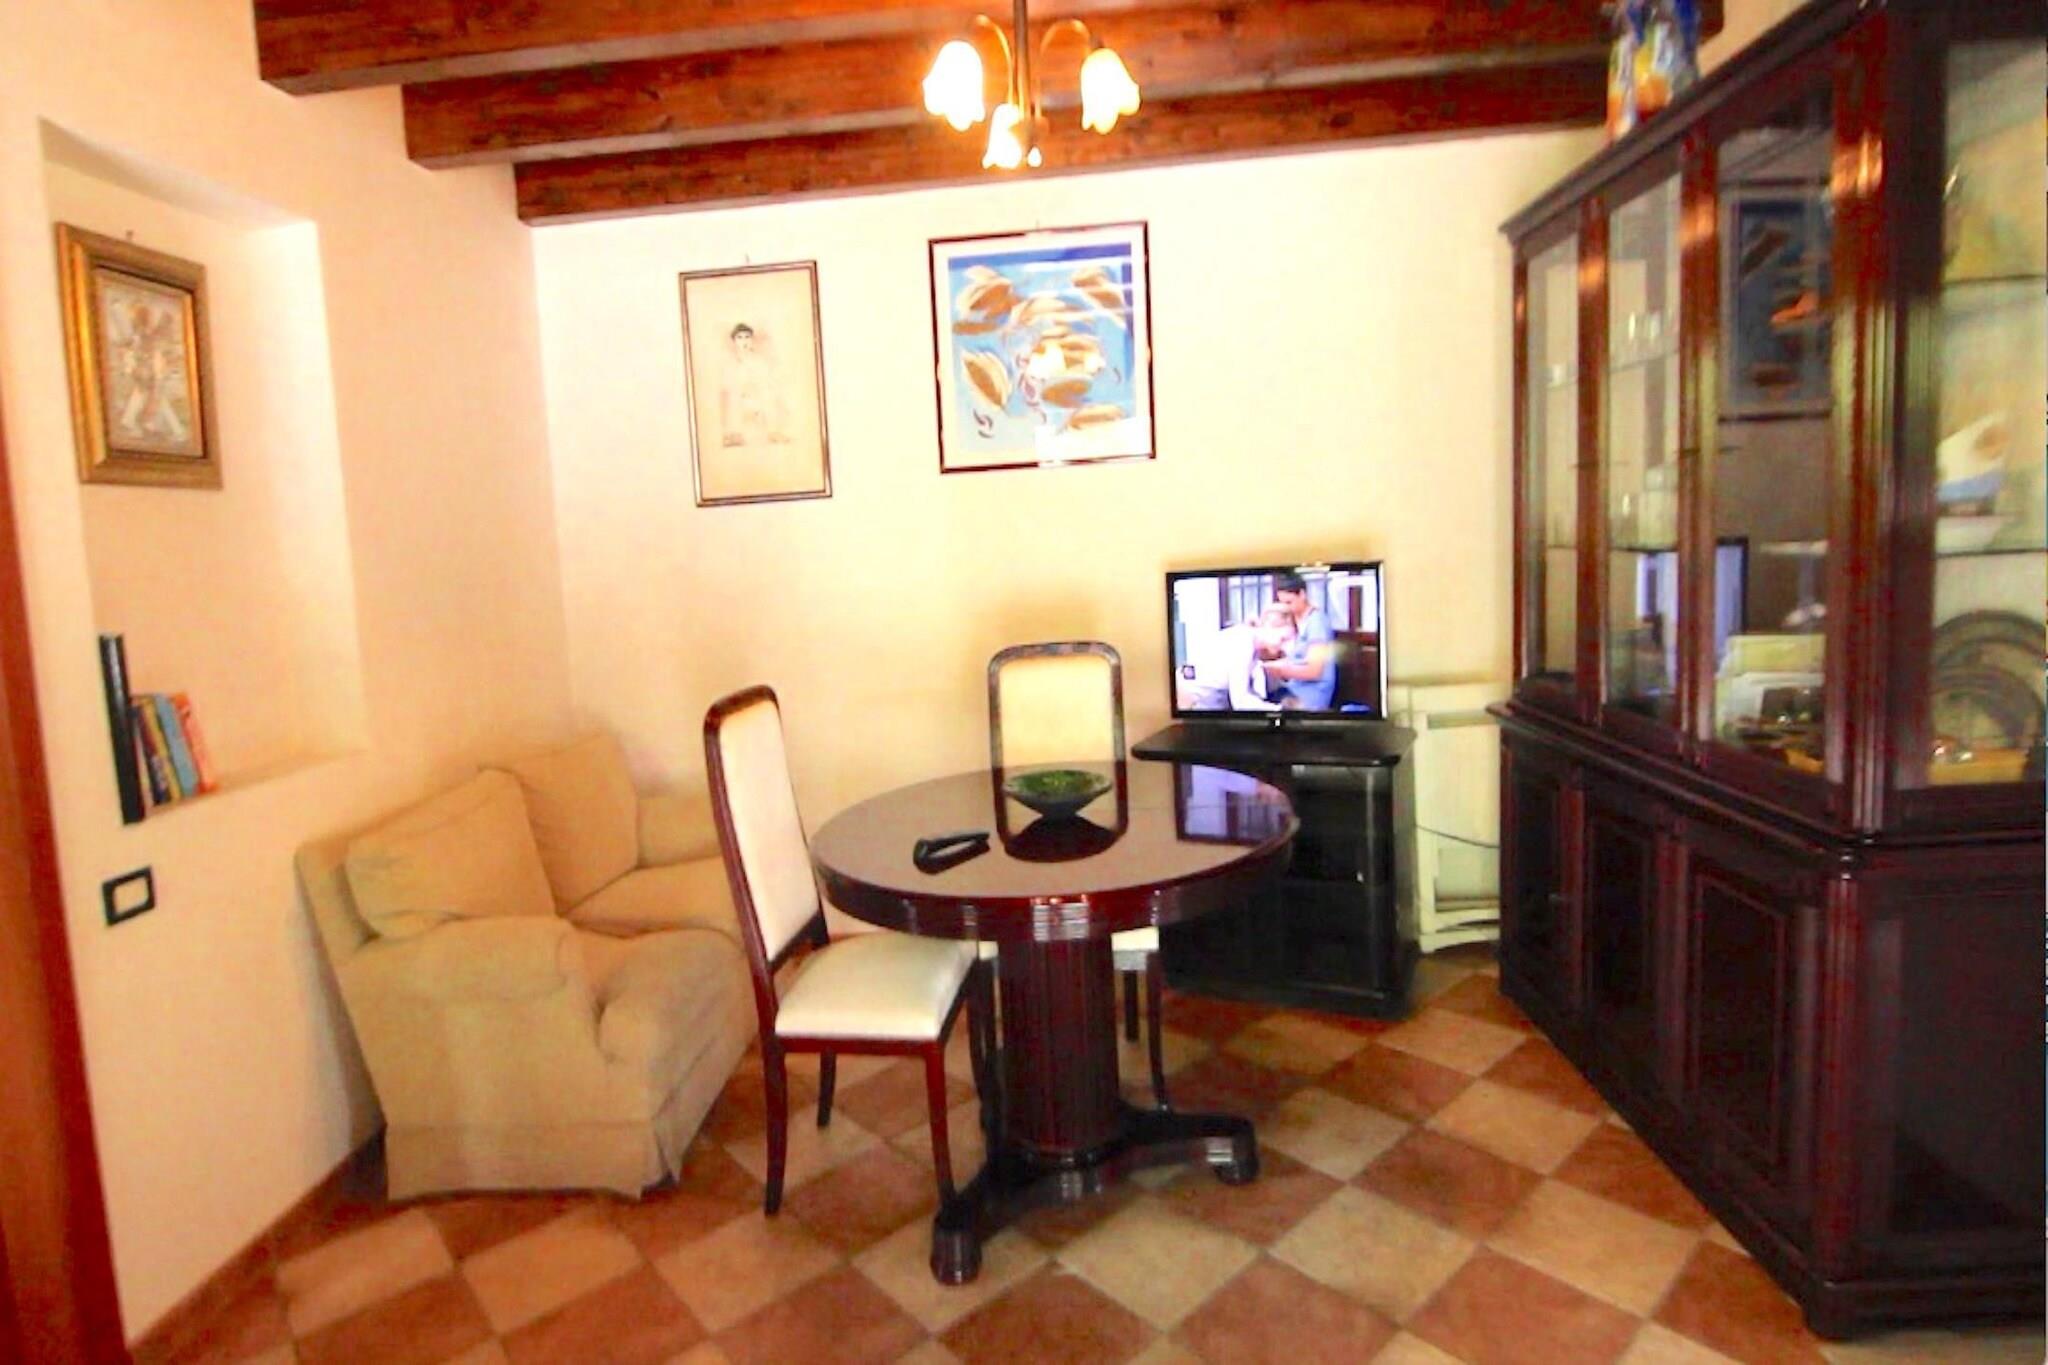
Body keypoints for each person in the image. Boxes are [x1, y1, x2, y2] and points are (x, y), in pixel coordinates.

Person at [1180, 607, 1296, 711]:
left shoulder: (1251, 643)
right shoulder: (1242, 643)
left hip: (1212, 700)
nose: (1283, 647)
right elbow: (1241, 701)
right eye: (1283, 639)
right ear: (1268, 627)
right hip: (1195, 702)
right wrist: (1280, 710)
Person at [1261, 572, 1338, 710]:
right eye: (1282, 603)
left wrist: (1281, 671)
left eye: (1289, 602)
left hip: (1310, 696)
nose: (1286, 607)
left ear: (1302, 594)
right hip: (1294, 688)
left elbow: (1315, 671)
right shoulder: (1298, 620)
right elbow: (1297, 659)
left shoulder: (1317, 623)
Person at [718, 321, 789, 447]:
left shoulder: (759, 361)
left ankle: (773, 432)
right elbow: (728, 384)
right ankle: (735, 434)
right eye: (740, 338)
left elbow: (766, 381)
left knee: (768, 395)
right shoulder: (730, 363)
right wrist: (741, 389)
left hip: (757, 397)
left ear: (751, 340)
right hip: (740, 398)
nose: (744, 341)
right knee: (734, 397)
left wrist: (755, 389)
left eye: (747, 337)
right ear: (734, 341)